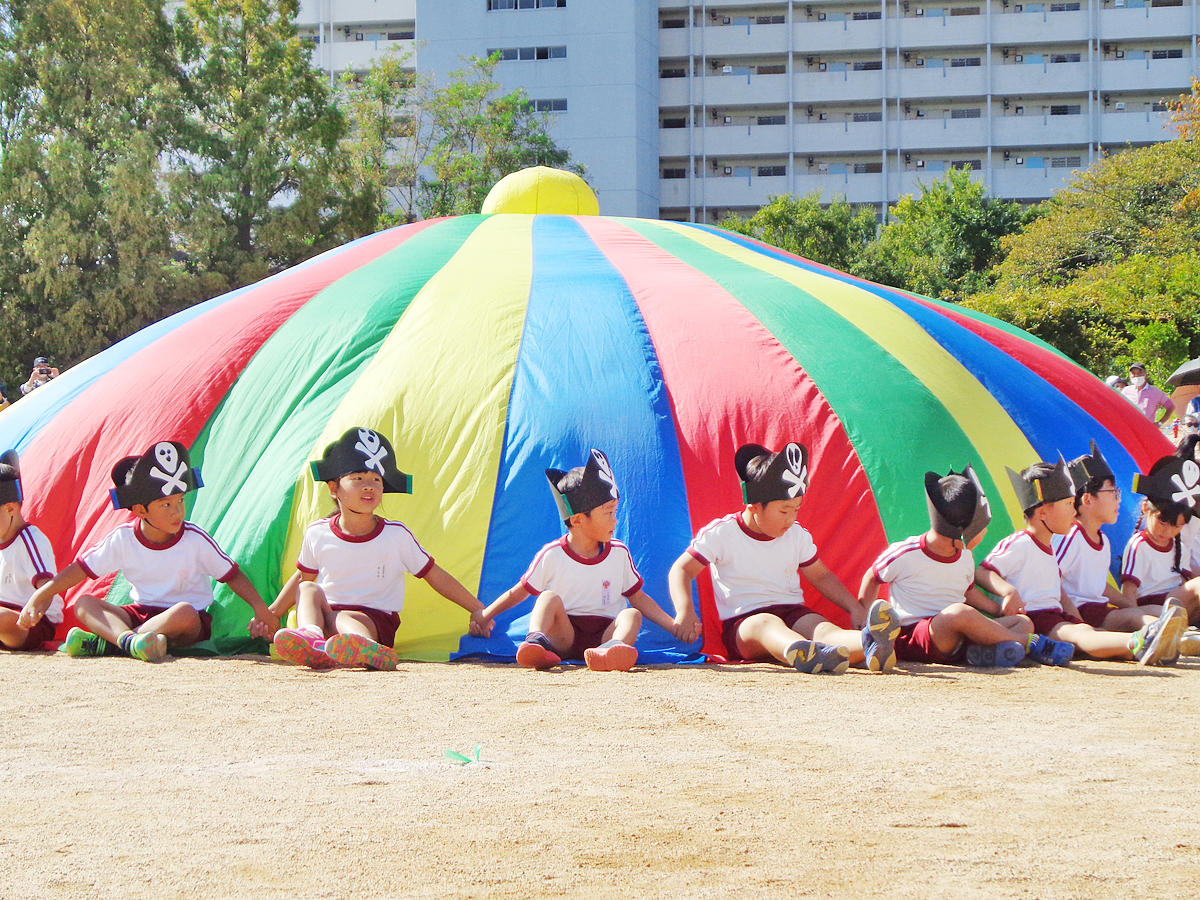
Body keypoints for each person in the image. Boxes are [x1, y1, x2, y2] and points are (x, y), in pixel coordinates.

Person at [20, 441, 278, 661]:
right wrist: (40, 595)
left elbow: (231, 575)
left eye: (180, 501)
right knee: (84, 604)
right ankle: (133, 641)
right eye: (165, 504)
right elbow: (80, 570)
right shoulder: (123, 539)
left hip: (186, 623)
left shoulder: (194, 539)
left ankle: (116, 644)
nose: (177, 511)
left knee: (184, 612)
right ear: (140, 510)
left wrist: (260, 608)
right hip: (139, 613)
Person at [264, 427, 491, 671]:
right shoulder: (318, 532)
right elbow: (303, 576)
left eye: (376, 480)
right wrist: (272, 613)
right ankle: (313, 640)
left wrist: (478, 609)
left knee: (339, 618)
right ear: (333, 489)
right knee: (308, 589)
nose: (368, 486)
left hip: (375, 621)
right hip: (328, 618)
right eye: (358, 479)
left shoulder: (395, 535)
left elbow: (434, 574)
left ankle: (367, 647)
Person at [668, 441, 899, 674]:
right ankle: (804, 651)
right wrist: (685, 610)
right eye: (784, 511)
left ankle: (870, 642)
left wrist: (854, 608)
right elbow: (682, 570)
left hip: (793, 612)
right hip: (745, 624)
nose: (790, 519)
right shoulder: (722, 533)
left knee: (821, 627)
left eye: (796, 509)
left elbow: (821, 576)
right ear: (754, 507)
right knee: (766, 625)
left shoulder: (796, 535)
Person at [480, 449, 694, 672]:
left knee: (632, 614)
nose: (615, 520)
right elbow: (519, 591)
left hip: (604, 636)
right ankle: (537, 643)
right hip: (564, 634)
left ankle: (612, 650)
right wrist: (485, 616)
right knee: (547, 598)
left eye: (615, 511)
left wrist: (673, 625)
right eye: (608, 513)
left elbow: (638, 597)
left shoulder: (619, 552)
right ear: (578, 519)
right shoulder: (552, 553)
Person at [977, 456, 1183, 666]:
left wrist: (1077, 619)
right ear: (1043, 513)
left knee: (1089, 632)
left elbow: (1059, 590)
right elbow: (983, 572)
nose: (1074, 510)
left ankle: (1153, 644)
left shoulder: (1049, 546)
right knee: (1083, 634)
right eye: (1068, 504)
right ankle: (1142, 640)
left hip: (1056, 615)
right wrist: (1008, 592)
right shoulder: (1021, 542)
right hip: (1035, 618)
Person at [859, 466, 1056, 669]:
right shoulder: (905, 553)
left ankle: (981, 652)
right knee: (960, 614)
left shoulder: (965, 557)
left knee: (1023, 623)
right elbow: (873, 577)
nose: (985, 532)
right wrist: (863, 618)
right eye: (981, 528)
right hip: (917, 635)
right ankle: (1029, 643)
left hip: (959, 635)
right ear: (962, 533)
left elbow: (968, 592)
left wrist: (999, 610)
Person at [1120, 455, 1200, 633]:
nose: (1168, 532)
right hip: (1149, 605)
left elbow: (1187, 577)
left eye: (1177, 526)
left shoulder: (1177, 545)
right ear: (1146, 509)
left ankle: (1186, 631)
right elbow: (1129, 592)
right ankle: (1182, 634)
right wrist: (1133, 619)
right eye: (1163, 523)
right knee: (1169, 611)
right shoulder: (1139, 545)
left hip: (1176, 602)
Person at [0, 451, 61, 652]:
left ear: (10, 509)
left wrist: (35, 610)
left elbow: (48, 586)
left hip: (30, 622)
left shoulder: (30, 539)